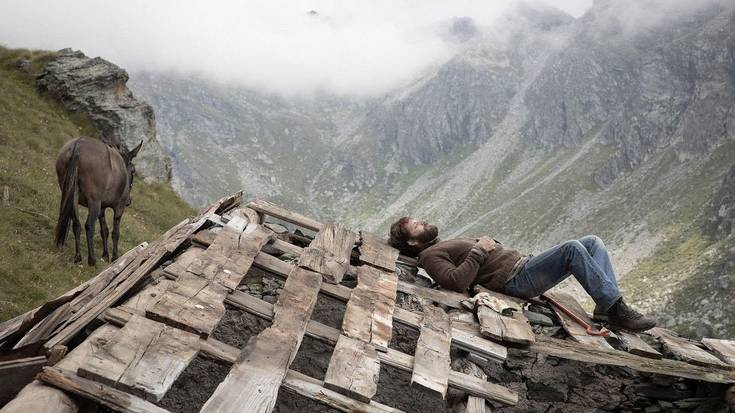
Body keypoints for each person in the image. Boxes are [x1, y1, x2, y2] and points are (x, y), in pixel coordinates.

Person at [388, 217, 656, 332]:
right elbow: (456, 282)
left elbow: (473, 261)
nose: (423, 222)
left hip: (522, 265)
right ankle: (618, 310)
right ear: (413, 243)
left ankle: (603, 308)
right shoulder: (429, 256)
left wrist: (486, 245)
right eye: (417, 225)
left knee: (592, 241)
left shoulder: (440, 245)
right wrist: (480, 249)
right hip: (516, 280)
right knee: (572, 249)